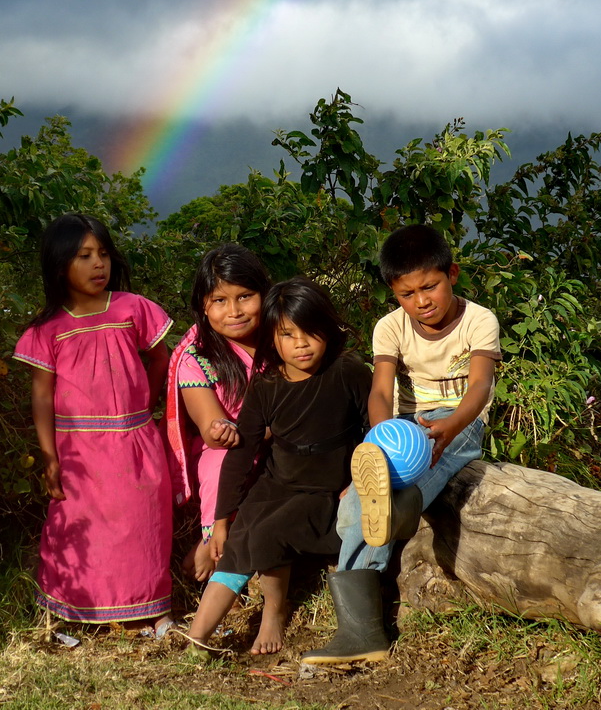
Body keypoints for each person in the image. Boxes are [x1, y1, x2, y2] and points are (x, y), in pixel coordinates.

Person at [302, 224, 501, 664]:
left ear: (452, 273)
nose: (421, 301)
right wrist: (382, 440)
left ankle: (401, 503)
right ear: (393, 293)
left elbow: (481, 388)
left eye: (429, 287)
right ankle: (360, 632)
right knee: (359, 502)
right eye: (407, 294)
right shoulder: (389, 327)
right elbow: (379, 393)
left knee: (400, 479)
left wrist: (448, 428)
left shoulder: (480, 319)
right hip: (405, 426)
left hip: (459, 422)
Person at [184, 279, 371, 657]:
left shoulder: (346, 371)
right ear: (273, 337)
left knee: (269, 530)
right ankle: (197, 638)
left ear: (328, 329)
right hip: (278, 482)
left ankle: (274, 612)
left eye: (310, 332)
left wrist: (359, 481)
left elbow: (374, 428)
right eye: (287, 335)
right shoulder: (267, 384)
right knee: (239, 536)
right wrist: (221, 520)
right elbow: (242, 452)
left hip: (325, 491)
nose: (300, 344)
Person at [13, 213, 174, 631]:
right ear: (59, 263)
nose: (97, 264)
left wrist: (146, 403)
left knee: (142, 524)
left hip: (134, 439)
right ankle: (64, 613)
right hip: (77, 450)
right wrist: (49, 456)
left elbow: (161, 357)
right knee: (75, 526)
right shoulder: (47, 329)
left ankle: (154, 610)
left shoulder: (132, 308)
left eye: (102, 253)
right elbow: (42, 395)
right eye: (84, 256)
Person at [165, 244, 272, 581]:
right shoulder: (196, 358)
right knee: (220, 461)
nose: (234, 311)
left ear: (264, 295)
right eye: (220, 301)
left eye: (245, 296)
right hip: (234, 444)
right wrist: (221, 431)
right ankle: (215, 544)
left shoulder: (285, 338)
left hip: (288, 437)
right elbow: (211, 427)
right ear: (202, 306)